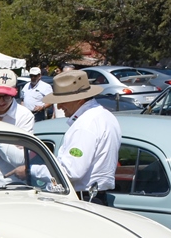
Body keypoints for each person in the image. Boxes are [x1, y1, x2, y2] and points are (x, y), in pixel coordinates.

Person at [43, 69, 121, 204]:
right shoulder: (105, 116)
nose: (60, 106)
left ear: (79, 99)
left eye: (63, 101)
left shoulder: (85, 124)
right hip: (95, 196)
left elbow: (71, 171)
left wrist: (34, 170)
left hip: (83, 198)